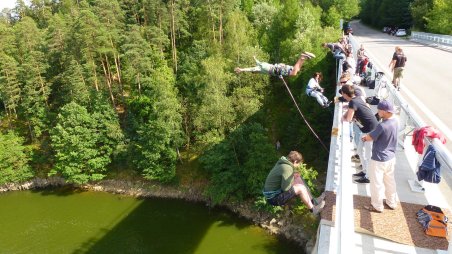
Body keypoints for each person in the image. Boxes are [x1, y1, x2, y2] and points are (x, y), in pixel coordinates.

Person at [361, 100, 399, 213]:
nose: (378, 111)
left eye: (379, 109)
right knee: (390, 181)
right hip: (391, 157)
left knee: (376, 183)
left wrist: (364, 137)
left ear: (385, 111)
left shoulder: (382, 125)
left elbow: (369, 138)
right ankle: (391, 202)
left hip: (379, 159)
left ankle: (377, 206)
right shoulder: (395, 121)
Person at [341, 84, 379, 184]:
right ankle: (365, 171)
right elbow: (350, 112)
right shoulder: (356, 98)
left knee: (368, 154)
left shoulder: (353, 102)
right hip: (367, 129)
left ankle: (369, 177)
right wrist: (345, 116)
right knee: (360, 151)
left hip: (371, 130)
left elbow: (349, 119)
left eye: (343, 94)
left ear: (345, 94)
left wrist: (345, 118)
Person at [234, 52, 315, 77]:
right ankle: (305, 58)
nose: (256, 72)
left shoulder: (259, 69)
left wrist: (241, 69)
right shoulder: (260, 64)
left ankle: (301, 57)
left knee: (293, 73)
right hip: (279, 67)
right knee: (297, 69)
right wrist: (254, 57)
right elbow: (257, 61)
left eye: (255, 72)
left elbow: (250, 69)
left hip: (278, 69)